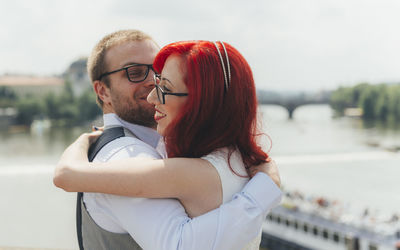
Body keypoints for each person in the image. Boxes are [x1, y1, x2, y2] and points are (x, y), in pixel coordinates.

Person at [54, 30, 282, 250]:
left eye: (159, 75)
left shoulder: (186, 165)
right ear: (102, 92)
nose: (152, 86)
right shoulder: (126, 154)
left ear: (201, 102)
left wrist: (83, 141)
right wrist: (265, 187)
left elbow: (66, 175)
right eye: (134, 72)